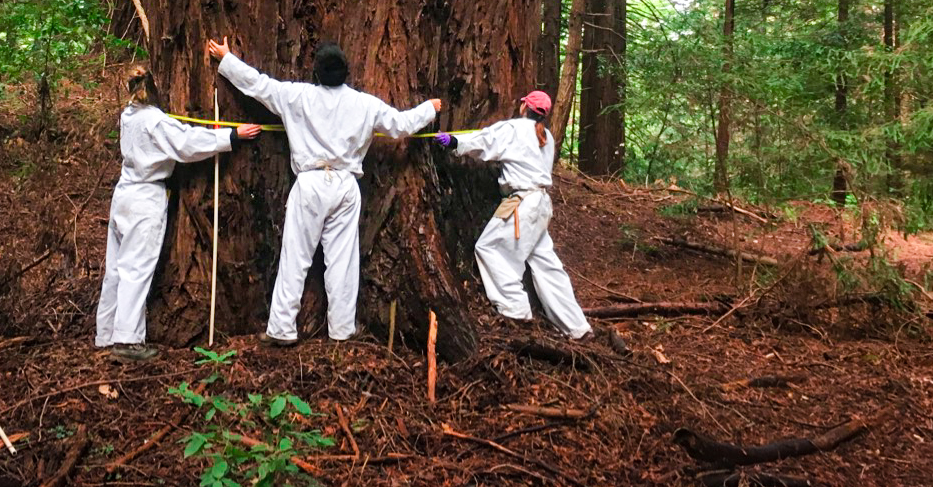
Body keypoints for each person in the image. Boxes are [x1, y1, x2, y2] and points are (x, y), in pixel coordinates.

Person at [207, 38, 441, 345]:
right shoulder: (364, 103)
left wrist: (227, 60)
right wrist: (429, 109)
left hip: (310, 184)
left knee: (295, 256)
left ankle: (281, 328)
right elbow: (400, 124)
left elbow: (259, 86)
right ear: (346, 73)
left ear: (316, 73)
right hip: (345, 186)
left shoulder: (298, 96)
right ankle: (342, 328)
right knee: (342, 260)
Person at [96, 65, 261, 361]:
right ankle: (127, 341)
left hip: (124, 194)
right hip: (145, 196)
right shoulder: (156, 120)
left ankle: (106, 333)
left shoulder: (128, 115)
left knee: (117, 268)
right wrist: (231, 137)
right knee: (136, 267)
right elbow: (186, 144)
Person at [435, 90, 591, 340]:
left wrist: (453, 142)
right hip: (539, 205)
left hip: (522, 204)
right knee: (545, 264)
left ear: (523, 107)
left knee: (491, 249)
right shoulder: (546, 137)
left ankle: (516, 313)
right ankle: (576, 327)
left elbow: (485, 141)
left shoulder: (515, 129)